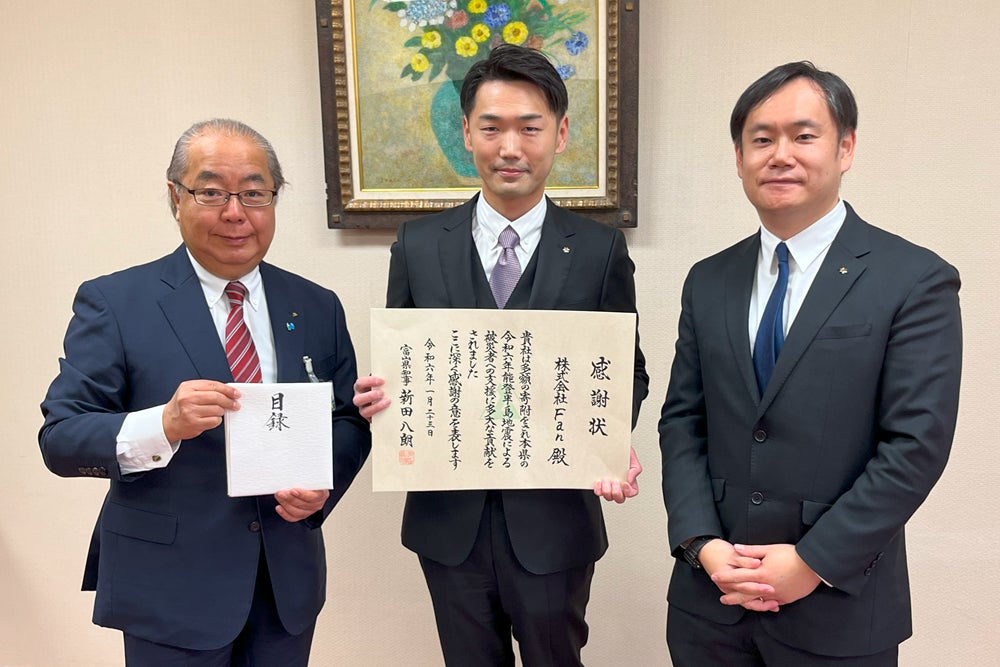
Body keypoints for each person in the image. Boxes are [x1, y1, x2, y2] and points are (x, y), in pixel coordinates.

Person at [353, 44, 649, 666]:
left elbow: (628, 369)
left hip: (554, 520)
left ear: (560, 134)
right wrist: (382, 394)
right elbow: (405, 362)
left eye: (529, 128)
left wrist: (606, 439)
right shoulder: (417, 244)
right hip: (447, 522)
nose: (510, 147)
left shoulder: (599, 250)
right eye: (491, 128)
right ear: (467, 134)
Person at [658, 61, 962, 665]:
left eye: (803, 136)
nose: (780, 155)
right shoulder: (708, 279)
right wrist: (700, 543)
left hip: (838, 609)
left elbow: (916, 444)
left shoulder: (914, 278)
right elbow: (683, 421)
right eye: (761, 139)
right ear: (739, 157)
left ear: (845, 148)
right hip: (710, 604)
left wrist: (812, 562)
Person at [39, 119, 371, 665]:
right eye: (212, 192)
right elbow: (61, 438)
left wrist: (321, 487)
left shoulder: (315, 305)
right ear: (176, 197)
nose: (235, 212)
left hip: (285, 586)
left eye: (255, 193)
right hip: (170, 588)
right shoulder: (116, 302)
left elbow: (346, 420)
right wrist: (162, 424)